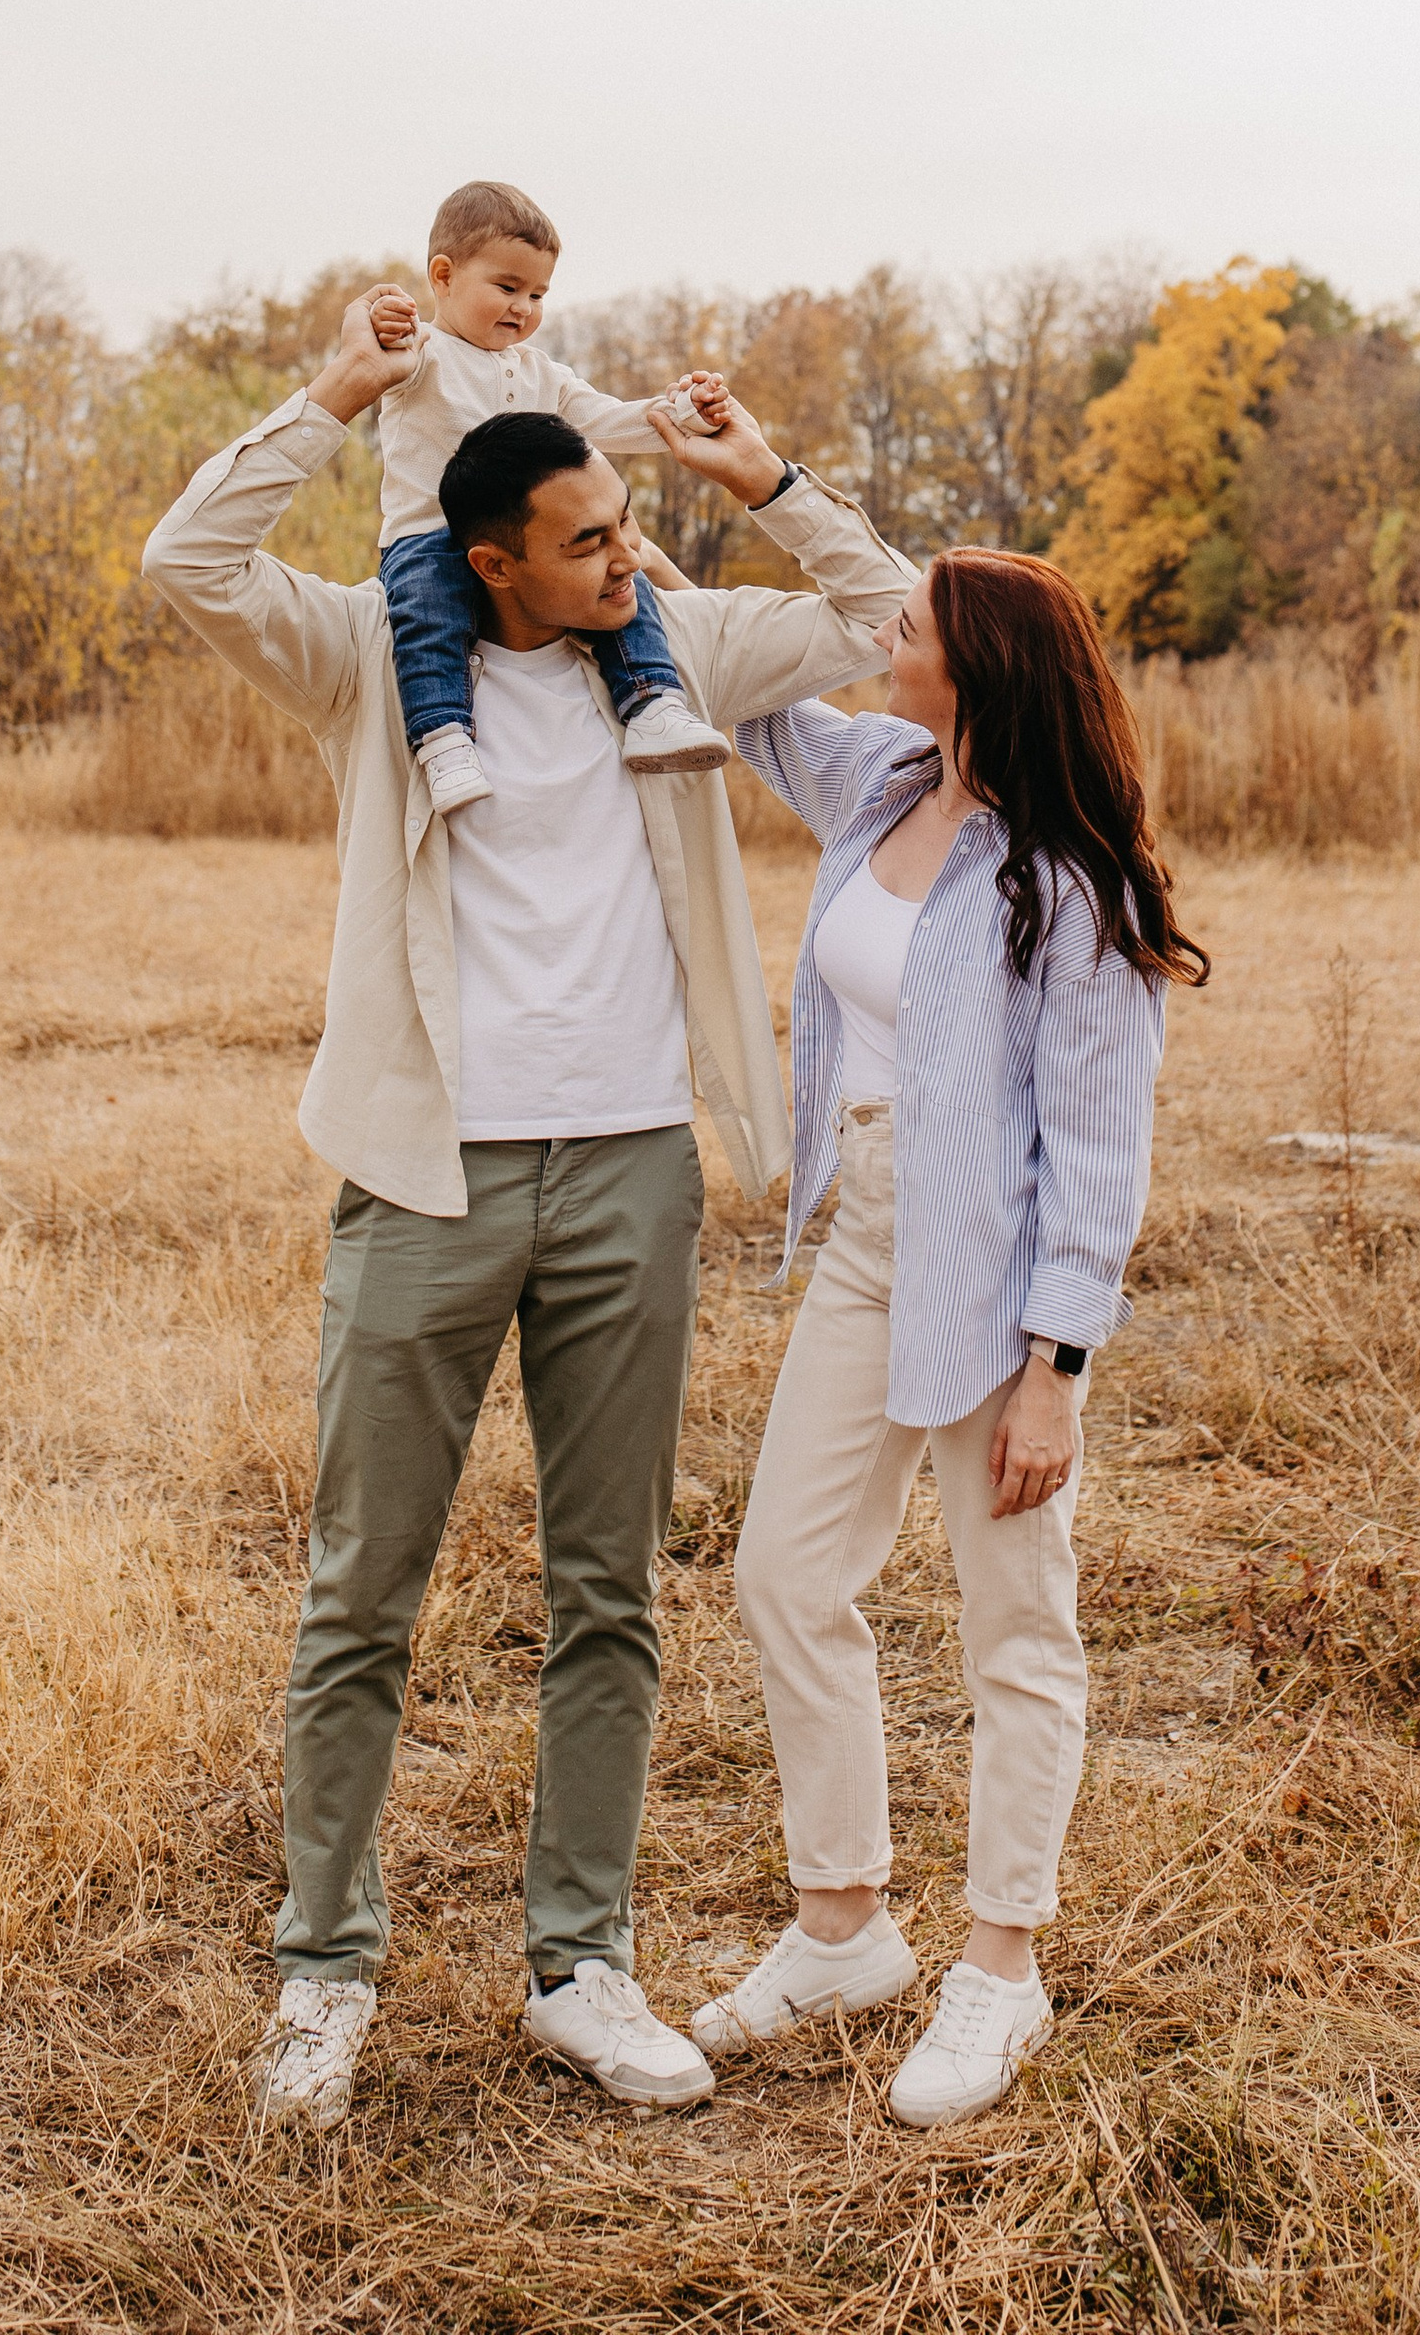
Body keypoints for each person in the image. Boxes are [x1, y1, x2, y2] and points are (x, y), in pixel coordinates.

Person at [140, 302, 911, 2130]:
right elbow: (188, 558)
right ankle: (323, 1973)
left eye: (624, 527)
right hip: (429, 1175)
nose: (623, 555)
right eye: (586, 537)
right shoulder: (367, 656)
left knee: (608, 1589)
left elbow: (894, 616)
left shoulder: (678, 642)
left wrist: (764, 476)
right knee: (361, 1596)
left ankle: (584, 1965)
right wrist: (337, 391)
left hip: (633, 1167)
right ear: (490, 563)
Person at [688, 552, 1204, 2126]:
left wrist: (1056, 1374)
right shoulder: (878, 781)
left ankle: (999, 1969)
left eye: (905, 627)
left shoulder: (1069, 881)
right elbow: (758, 691)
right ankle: (843, 1927)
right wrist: (667, 529)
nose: (878, 637)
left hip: (998, 1279)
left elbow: (1099, 1157)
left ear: (971, 669)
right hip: (867, 1239)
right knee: (786, 1571)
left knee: (1014, 1626)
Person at [361, 176, 728, 814]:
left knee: (620, 580)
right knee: (426, 617)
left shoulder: (541, 374)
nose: (523, 308)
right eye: (507, 288)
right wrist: (382, 320)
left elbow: (614, 420)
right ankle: (443, 739)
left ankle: (652, 704)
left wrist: (685, 412)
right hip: (431, 536)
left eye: (537, 294)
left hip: (536, 544)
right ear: (443, 277)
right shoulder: (422, 354)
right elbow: (374, 352)